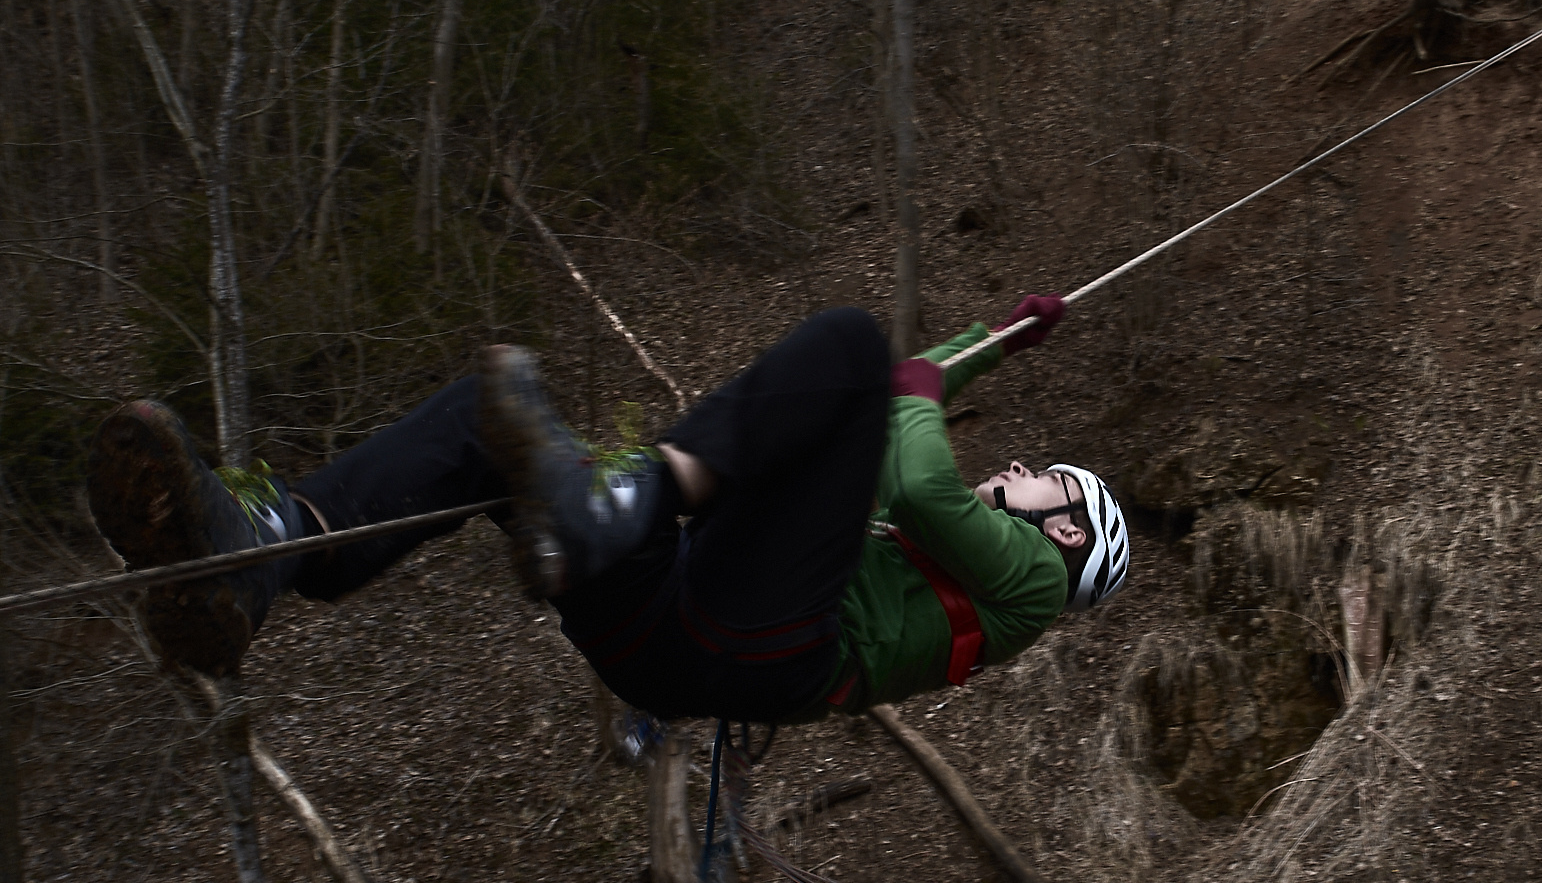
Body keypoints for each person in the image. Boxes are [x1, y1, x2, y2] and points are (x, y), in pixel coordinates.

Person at [85, 301, 1130, 725]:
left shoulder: (1030, 586)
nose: (1026, 465)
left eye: (1050, 477)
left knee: (853, 349)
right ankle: (256, 561)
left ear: (1067, 528)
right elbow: (908, 401)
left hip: (757, 648)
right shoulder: (966, 569)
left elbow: (911, 463)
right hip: (674, 623)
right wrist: (996, 336)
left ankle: (619, 507)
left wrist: (920, 386)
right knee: (477, 427)